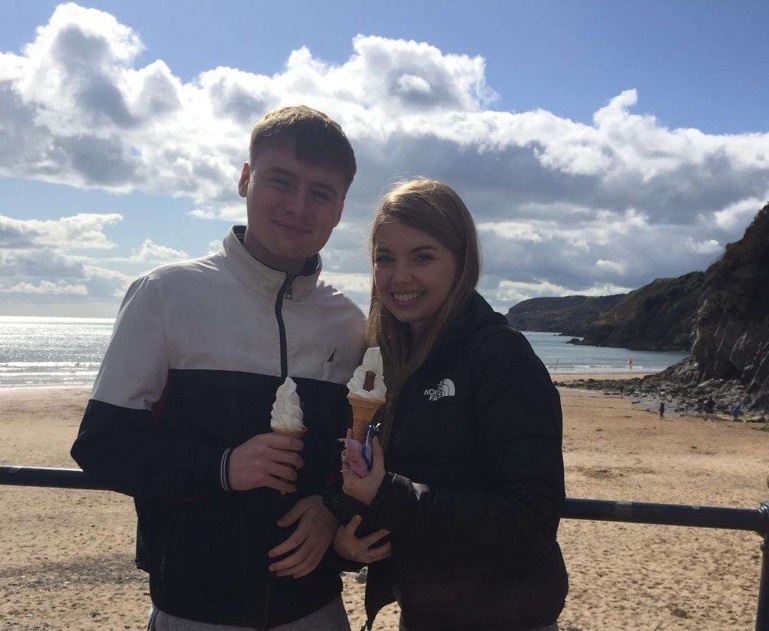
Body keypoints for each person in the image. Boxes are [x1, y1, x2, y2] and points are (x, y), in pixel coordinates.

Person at [71, 106, 365, 630]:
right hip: (193, 608)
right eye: (281, 181)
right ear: (245, 178)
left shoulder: (348, 323)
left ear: (340, 209)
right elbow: (101, 447)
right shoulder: (165, 294)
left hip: (317, 608)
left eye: (321, 192)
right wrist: (224, 467)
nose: (299, 206)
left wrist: (332, 508)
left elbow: (355, 453)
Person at [332, 179, 568, 630]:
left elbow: (531, 520)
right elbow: (391, 474)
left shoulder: (501, 357)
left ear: (462, 262)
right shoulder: (390, 359)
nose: (399, 277)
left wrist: (386, 497)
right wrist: (347, 538)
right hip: (423, 613)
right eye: (385, 258)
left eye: (423, 257)